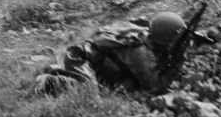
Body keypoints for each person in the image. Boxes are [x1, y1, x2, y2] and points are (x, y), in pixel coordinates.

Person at [35, 11, 188, 95]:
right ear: (165, 39)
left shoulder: (146, 34)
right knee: (89, 93)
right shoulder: (140, 52)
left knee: (127, 85)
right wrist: (178, 62)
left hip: (91, 61)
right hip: (82, 60)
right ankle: (49, 80)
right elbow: (155, 87)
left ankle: (58, 70)